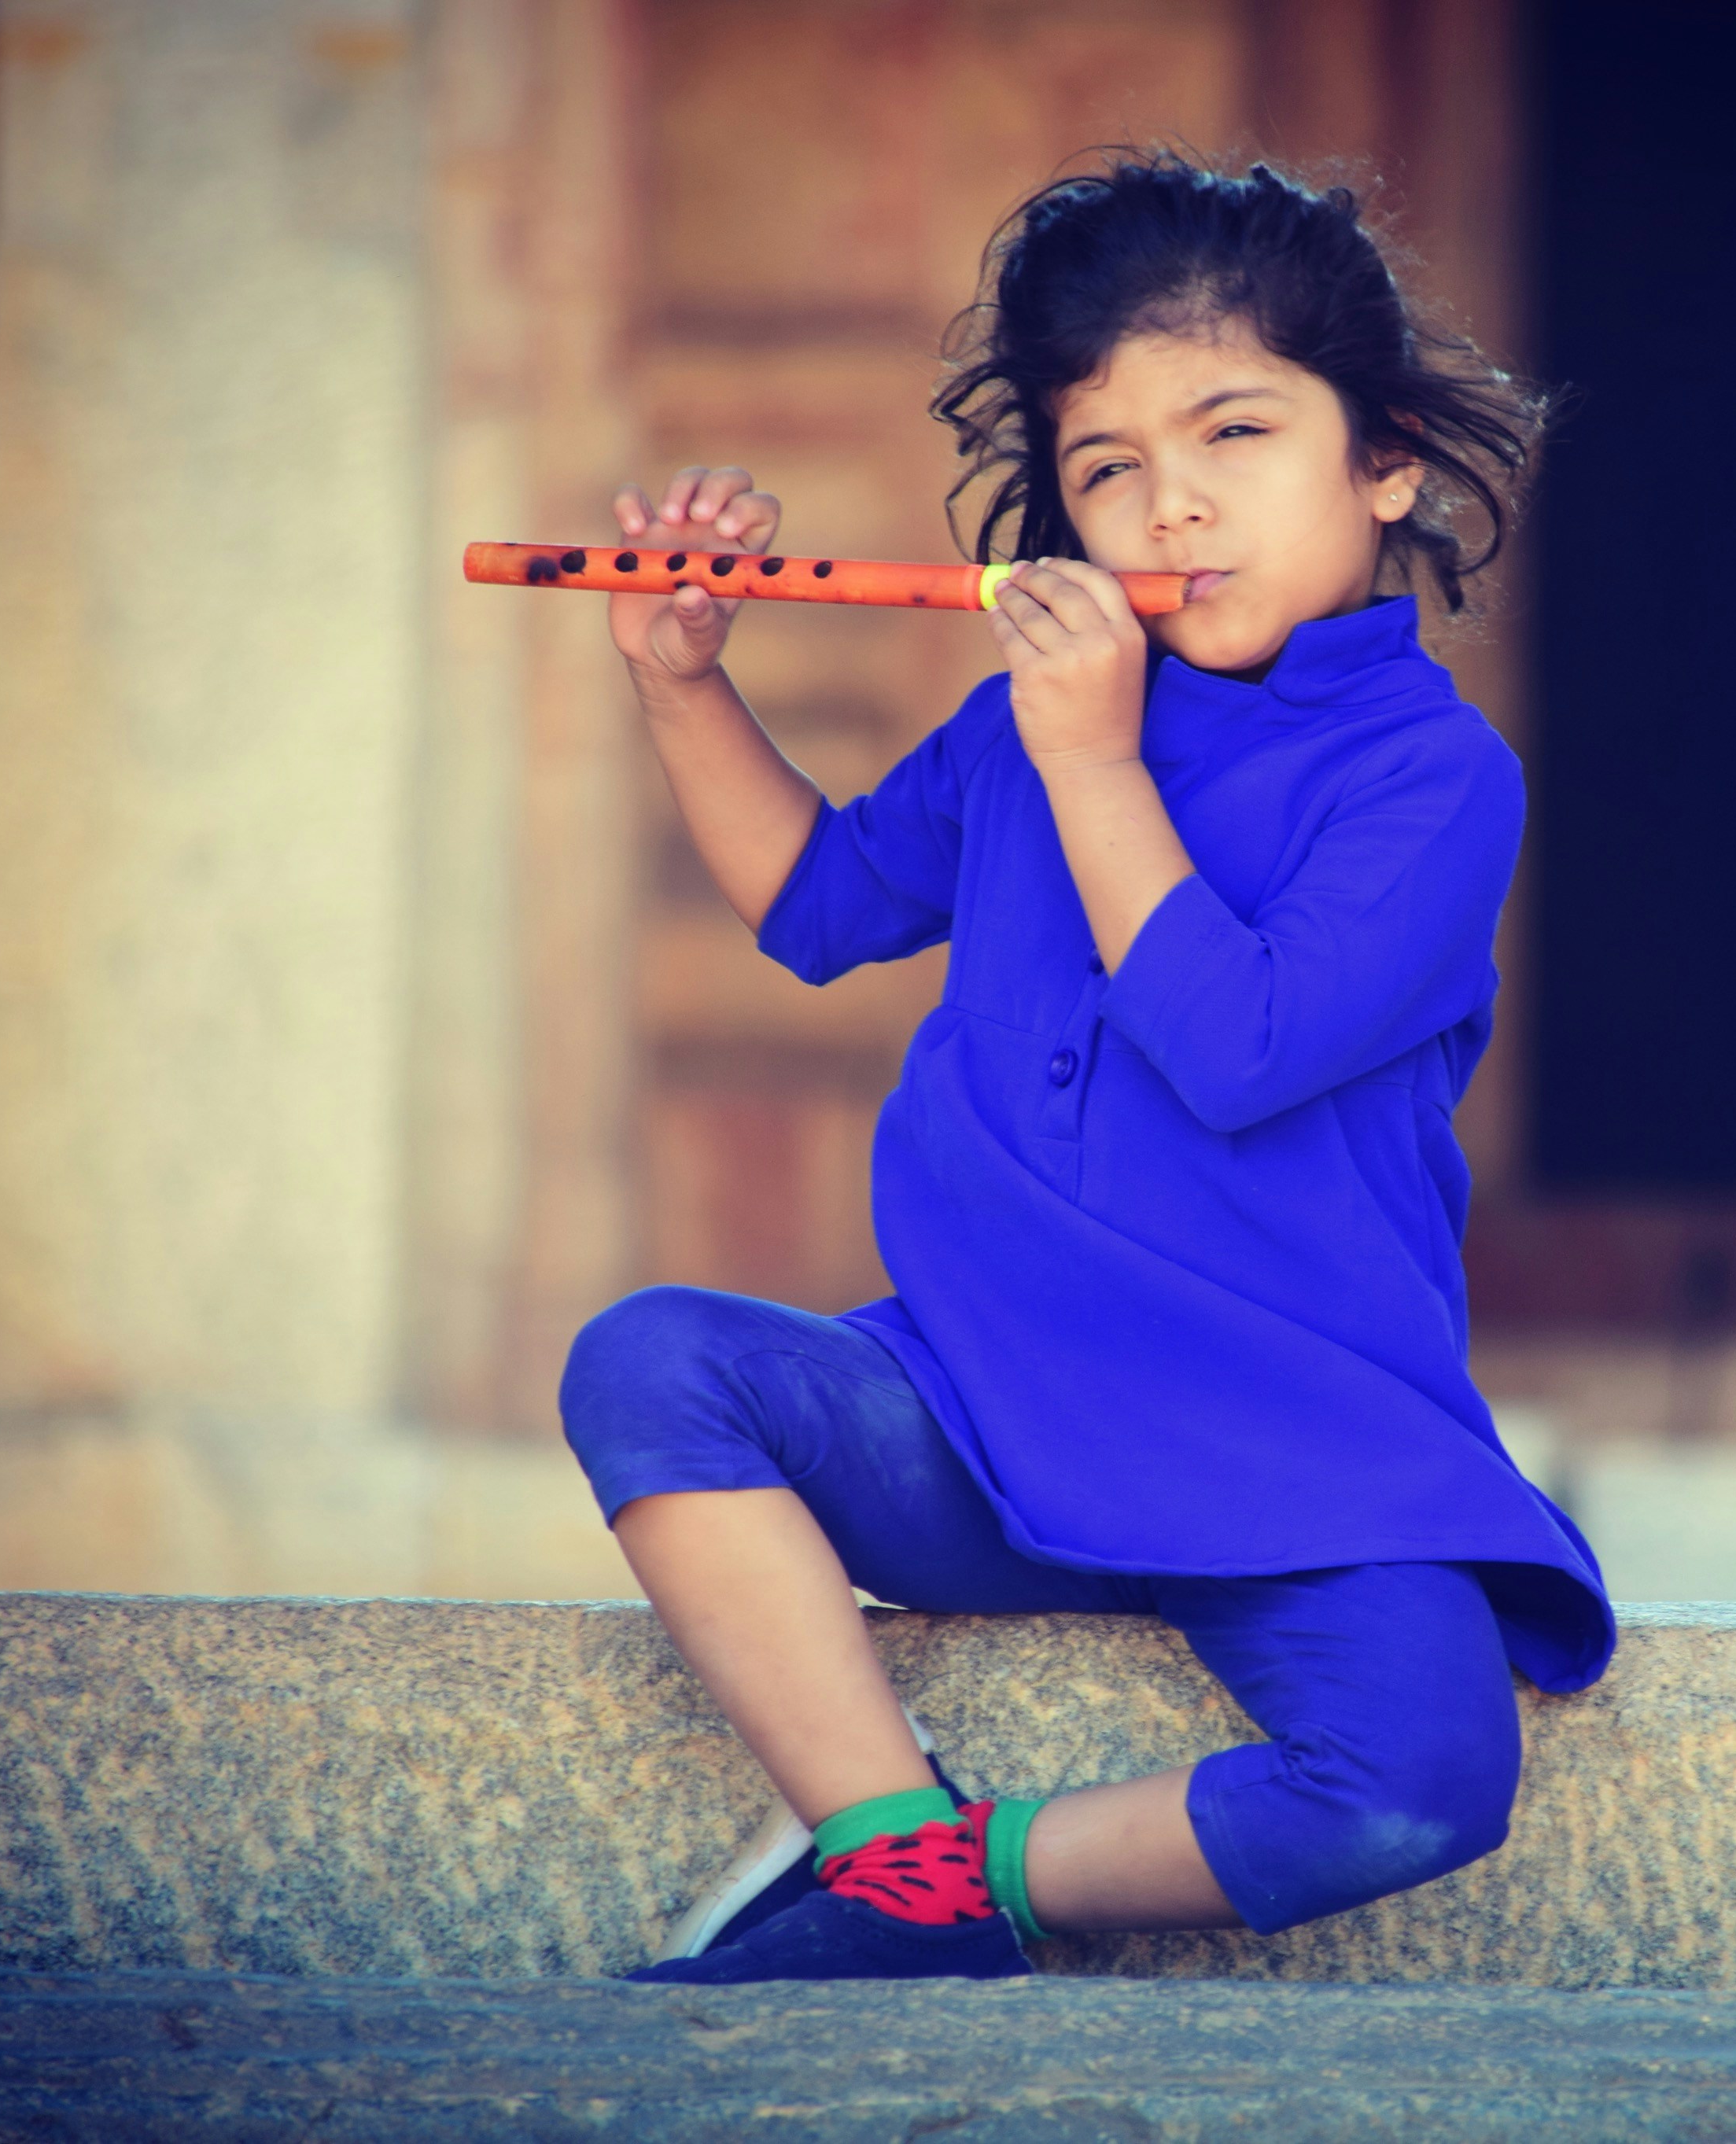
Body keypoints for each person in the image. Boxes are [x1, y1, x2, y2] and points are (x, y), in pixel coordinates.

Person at [560, 151, 1610, 1986]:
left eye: (1234, 435)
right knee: (651, 1360)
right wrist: (679, 682)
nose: (1166, 507)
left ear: (1387, 466)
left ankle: (989, 1875)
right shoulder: (1027, 725)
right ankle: (883, 1852)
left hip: (1295, 1443)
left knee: (1420, 1776)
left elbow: (1235, 1044)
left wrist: (1098, 768)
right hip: (974, 1413)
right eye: (1105, 466)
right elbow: (813, 902)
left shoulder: (1431, 782)